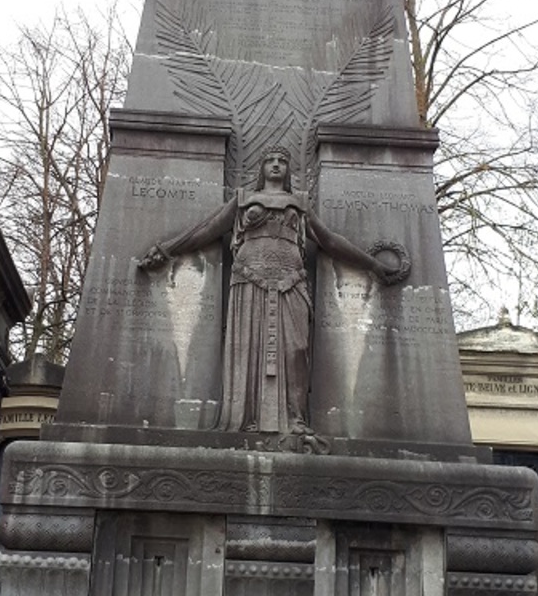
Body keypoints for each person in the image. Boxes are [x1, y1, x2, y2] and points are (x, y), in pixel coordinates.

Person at [139, 148, 407, 434]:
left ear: (288, 170)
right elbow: (206, 230)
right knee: (248, 349)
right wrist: (167, 250)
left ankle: (294, 419)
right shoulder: (243, 200)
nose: (277, 165)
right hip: (249, 280)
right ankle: (247, 418)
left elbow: (330, 241)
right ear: (262, 168)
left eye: (282, 162)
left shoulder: (300, 204)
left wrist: (372, 264)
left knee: (296, 349)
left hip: (291, 282)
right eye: (270, 161)